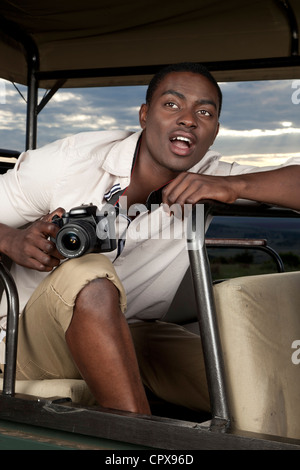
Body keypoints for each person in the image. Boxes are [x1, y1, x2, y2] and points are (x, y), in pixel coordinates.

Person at [0, 62, 299, 416]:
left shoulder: (211, 179)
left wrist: (233, 187)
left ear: (214, 132)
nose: (189, 119)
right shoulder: (70, 162)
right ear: (144, 115)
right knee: (89, 274)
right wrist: (11, 241)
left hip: (133, 332)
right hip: (26, 341)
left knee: (258, 382)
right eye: (172, 104)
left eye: (204, 112)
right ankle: (137, 443)